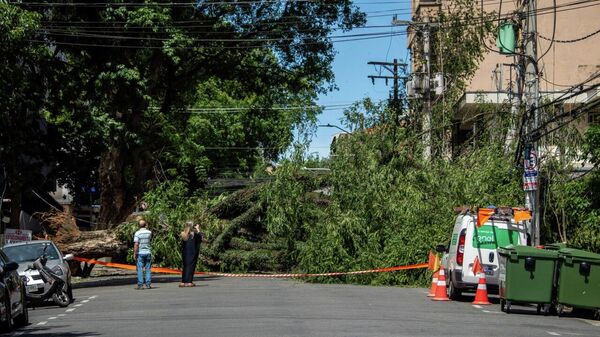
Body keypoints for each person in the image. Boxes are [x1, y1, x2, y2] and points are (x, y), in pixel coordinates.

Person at [180, 221, 202, 287]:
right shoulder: (193, 234)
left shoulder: (183, 233)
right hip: (192, 252)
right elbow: (200, 238)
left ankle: (183, 282)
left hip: (185, 252)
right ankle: (189, 282)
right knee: (191, 267)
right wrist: (198, 229)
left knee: (185, 266)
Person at [133, 218, 152, 290]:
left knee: (140, 269)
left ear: (138, 225)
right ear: (145, 225)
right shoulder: (149, 232)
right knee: (148, 268)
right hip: (148, 252)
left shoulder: (137, 233)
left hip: (140, 253)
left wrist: (135, 253)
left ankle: (140, 284)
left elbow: (136, 244)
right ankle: (148, 284)